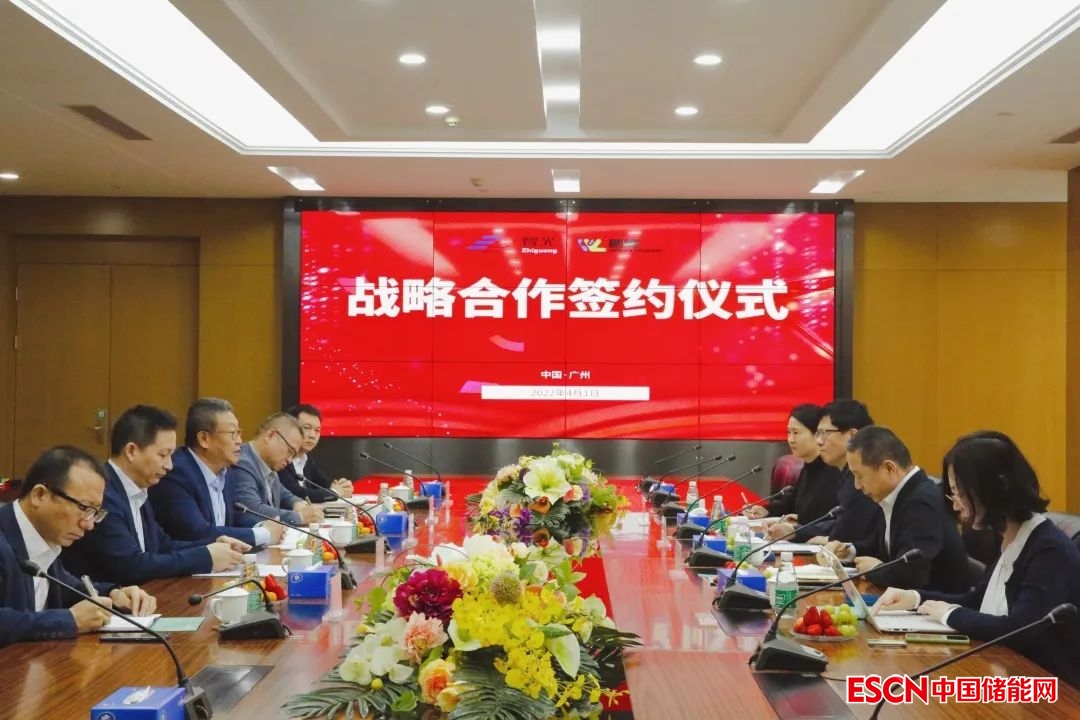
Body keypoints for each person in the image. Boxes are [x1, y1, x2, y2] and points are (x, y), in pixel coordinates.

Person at [872, 431, 1080, 687]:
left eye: (959, 493)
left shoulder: (1049, 550)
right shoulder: (1010, 538)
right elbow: (977, 600)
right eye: (952, 493)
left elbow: (1019, 629)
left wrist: (950, 615)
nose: (955, 505)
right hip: (1005, 670)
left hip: (1052, 690)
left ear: (996, 487)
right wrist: (915, 599)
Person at [62, 406, 246, 584]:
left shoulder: (138, 488)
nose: (169, 465)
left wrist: (213, 544)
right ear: (131, 451)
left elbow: (161, 545)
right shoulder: (103, 493)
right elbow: (131, 565)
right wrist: (205, 557)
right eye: (163, 455)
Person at [0, 446, 156, 646]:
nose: (88, 524)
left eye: (95, 512)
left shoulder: (45, 536)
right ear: (39, 495)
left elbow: (66, 587)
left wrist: (114, 594)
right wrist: (68, 620)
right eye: (83, 508)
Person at [823, 425, 972, 592]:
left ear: (889, 468)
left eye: (859, 475)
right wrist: (849, 551)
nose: (857, 485)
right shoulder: (898, 493)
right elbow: (885, 547)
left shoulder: (921, 501)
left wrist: (874, 570)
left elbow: (912, 573)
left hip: (934, 602)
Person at [150, 398, 283, 547]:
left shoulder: (225, 471)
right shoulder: (176, 473)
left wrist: (263, 526)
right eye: (232, 433)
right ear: (204, 439)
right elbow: (196, 532)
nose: (239, 441)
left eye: (239, 433)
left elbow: (234, 517)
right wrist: (263, 534)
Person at [745, 404, 843, 541]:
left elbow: (825, 518)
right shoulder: (809, 466)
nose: (790, 439)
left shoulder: (832, 470)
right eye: (788, 433)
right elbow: (792, 503)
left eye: (796, 433)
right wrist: (766, 510)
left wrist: (799, 522)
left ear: (817, 434)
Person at [805, 399, 882, 546]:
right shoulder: (844, 474)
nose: (819, 441)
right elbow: (839, 522)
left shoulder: (866, 478)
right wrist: (796, 531)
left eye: (825, 433)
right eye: (818, 433)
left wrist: (828, 539)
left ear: (853, 435)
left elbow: (847, 533)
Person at [230, 413, 323, 527]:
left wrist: (298, 503)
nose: (290, 460)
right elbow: (251, 511)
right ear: (270, 435)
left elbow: (283, 494)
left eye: (293, 455)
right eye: (289, 451)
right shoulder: (242, 462)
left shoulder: (268, 465)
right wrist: (300, 517)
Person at [279, 404, 353, 503]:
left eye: (317, 430)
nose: (313, 435)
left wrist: (343, 487)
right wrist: (335, 492)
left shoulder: (307, 459)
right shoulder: (280, 459)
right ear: (290, 428)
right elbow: (297, 494)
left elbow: (325, 484)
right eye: (307, 428)